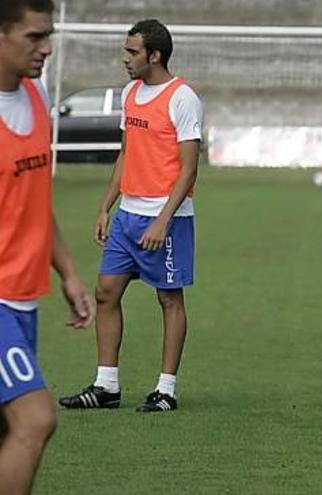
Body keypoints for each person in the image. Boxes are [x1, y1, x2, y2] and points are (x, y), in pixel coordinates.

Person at [59, 18, 203, 413]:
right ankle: (107, 387)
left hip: (167, 217)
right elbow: (127, 153)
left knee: (169, 299)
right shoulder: (130, 93)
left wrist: (162, 220)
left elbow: (189, 168)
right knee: (106, 292)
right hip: (128, 215)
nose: (125, 58)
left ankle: (166, 390)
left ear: (154, 55)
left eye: (131, 51)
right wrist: (106, 206)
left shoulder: (183, 98)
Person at [0, 0, 96, 492]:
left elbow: (33, 201)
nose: (47, 48)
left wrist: (70, 273)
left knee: (8, 435)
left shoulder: (36, 99)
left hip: (22, 300)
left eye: (49, 35)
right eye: (34, 37)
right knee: (36, 419)